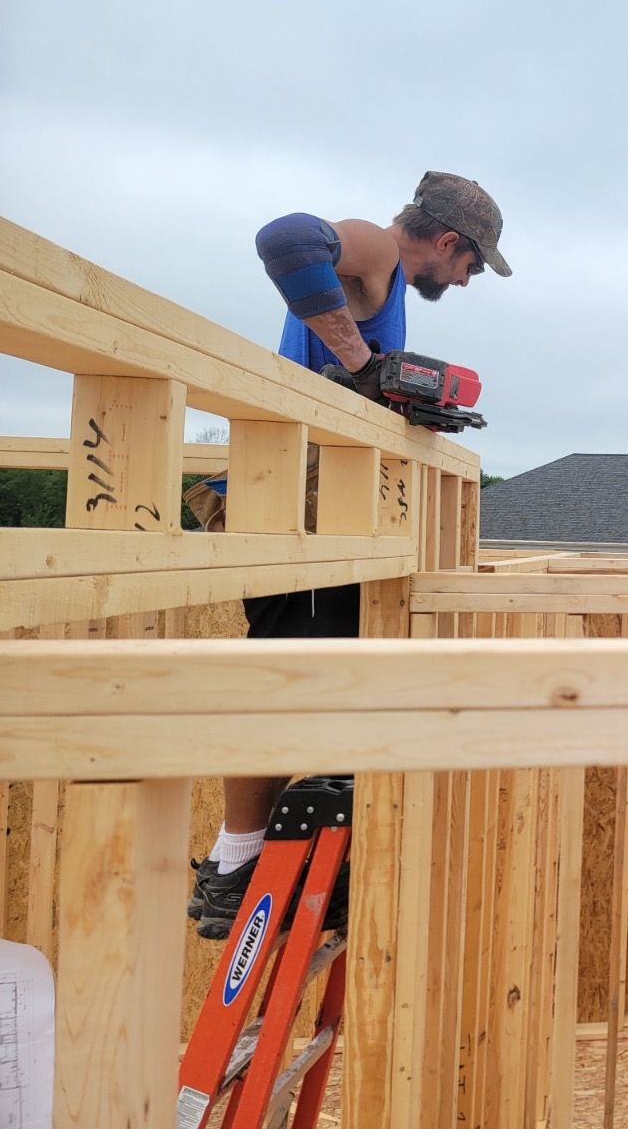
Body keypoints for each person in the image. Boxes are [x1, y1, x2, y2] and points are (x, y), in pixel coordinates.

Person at [188, 170, 512, 939]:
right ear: (446, 241)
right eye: (470, 266)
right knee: (285, 673)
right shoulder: (375, 250)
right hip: (291, 499)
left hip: (315, 499)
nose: (464, 282)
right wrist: (361, 363)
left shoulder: (386, 285)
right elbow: (286, 239)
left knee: (314, 670)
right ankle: (237, 867)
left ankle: (268, 855)